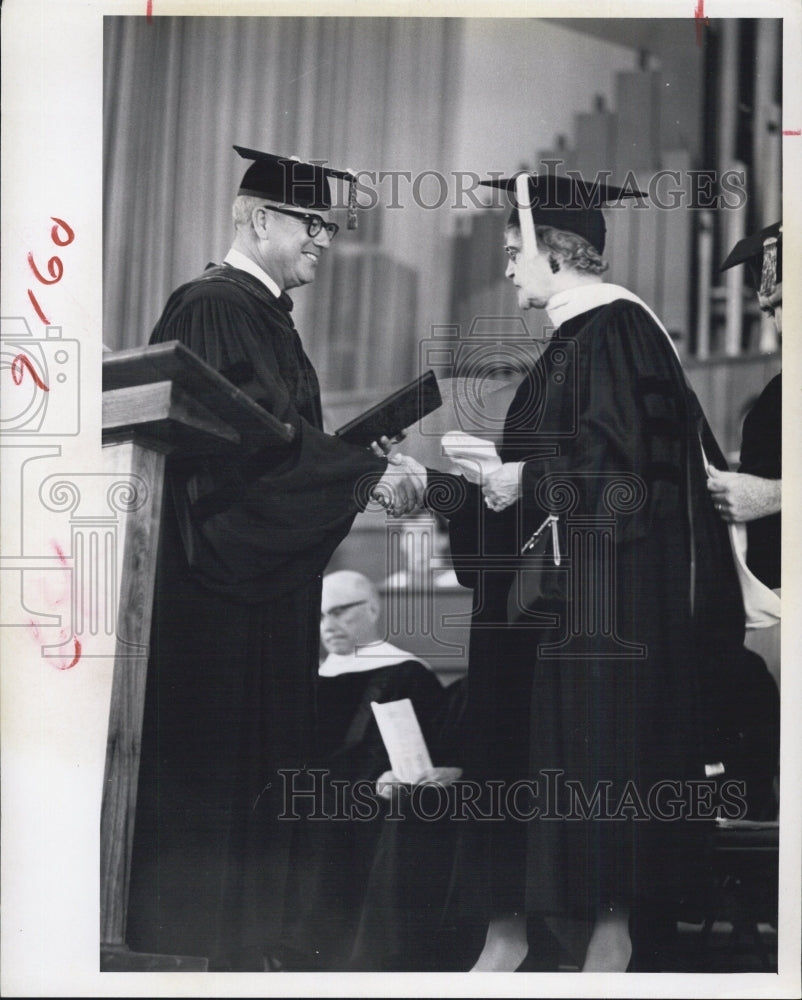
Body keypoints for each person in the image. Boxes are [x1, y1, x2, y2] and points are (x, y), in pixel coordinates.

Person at [434, 170, 750, 972]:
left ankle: (605, 952)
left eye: (516, 253)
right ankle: (505, 945)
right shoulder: (572, 342)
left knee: (591, 765)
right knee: (511, 750)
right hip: (548, 603)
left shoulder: (615, 332)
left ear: (559, 252)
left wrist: (520, 479)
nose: (508, 271)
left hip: (597, 609)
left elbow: (623, 472)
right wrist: (465, 488)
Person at [125, 146, 427, 970]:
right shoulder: (214, 307)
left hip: (259, 597)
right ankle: (197, 952)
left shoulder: (261, 318)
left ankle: (246, 950)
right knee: (218, 772)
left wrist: (352, 454)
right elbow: (244, 458)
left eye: (330, 226)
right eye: (313, 224)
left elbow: (274, 446)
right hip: (218, 598)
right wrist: (360, 470)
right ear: (260, 219)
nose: (326, 240)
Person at [279, 569, 453, 970]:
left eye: (340, 611)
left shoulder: (406, 672)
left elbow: (420, 756)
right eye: (322, 615)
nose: (329, 625)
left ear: (372, 608)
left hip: (373, 804)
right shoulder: (309, 677)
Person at [708, 222, 782, 688]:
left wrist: (776, 496)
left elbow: (773, 495)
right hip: (775, 610)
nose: (777, 325)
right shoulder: (775, 395)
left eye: (787, 304)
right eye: (768, 310)